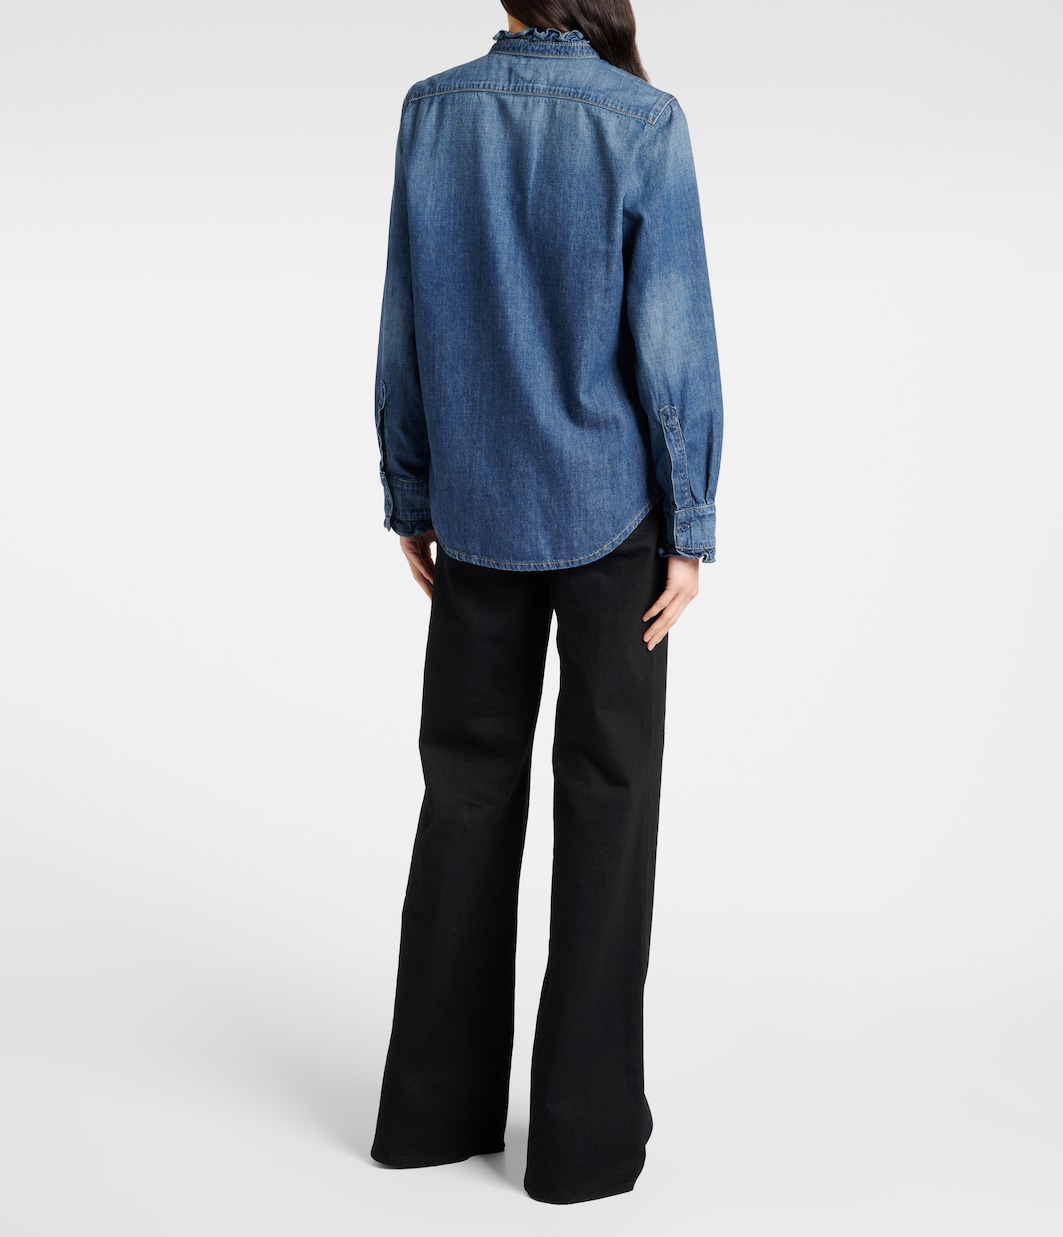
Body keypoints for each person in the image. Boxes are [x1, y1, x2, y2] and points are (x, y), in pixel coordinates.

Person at [369, 1, 723, 1205]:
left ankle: (431, 1115)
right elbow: (669, 343)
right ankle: (579, 1144)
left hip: (474, 506)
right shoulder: (642, 121)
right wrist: (689, 526)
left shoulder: (432, 112)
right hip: (611, 516)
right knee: (607, 803)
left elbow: (405, 321)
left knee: (464, 796)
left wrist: (411, 488)